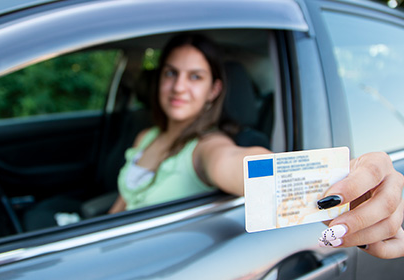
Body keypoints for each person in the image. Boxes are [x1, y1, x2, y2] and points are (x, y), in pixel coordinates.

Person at [108, 33, 404, 259]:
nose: (179, 86)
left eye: (195, 77)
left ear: (214, 90)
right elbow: (124, 201)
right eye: (171, 73)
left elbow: (246, 166)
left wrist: (345, 180)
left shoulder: (208, 149)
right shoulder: (145, 137)